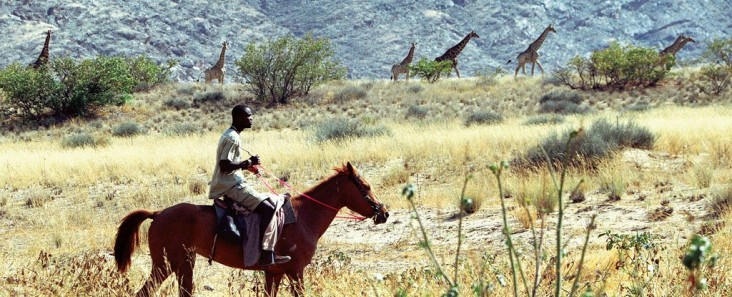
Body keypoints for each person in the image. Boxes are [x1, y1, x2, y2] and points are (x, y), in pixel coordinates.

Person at [208, 104, 290, 267]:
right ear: (238, 117)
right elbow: (225, 165)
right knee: (268, 208)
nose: (251, 118)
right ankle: (266, 253)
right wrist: (247, 162)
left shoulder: (231, 134)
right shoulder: (233, 137)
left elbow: (230, 164)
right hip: (230, 186)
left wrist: (248, 167)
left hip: (232, 183)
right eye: (248, 116)